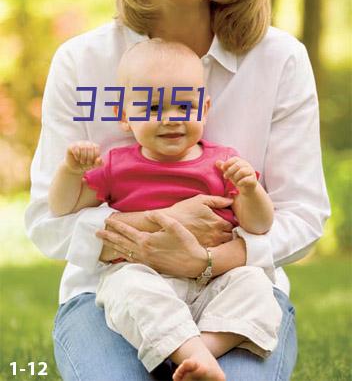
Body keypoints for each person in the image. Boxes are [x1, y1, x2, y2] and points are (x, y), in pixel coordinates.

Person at [25, 0, 330, 381]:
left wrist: (210, 261)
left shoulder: (278, 60)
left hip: (235, 292)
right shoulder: (83, 62)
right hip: (110, 293)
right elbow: (48, 223)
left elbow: (303, 215)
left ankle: (205, 350)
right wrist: (148, 231)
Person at [48, 39, 283, 381]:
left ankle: (201, 349)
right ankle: (190, 352)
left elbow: (260, 225)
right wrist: (70, 170)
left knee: (254, 284)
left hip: (212, 282)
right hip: (145, 277)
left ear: (204, 109)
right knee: (125, 287)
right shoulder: (117, 164)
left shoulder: (224, 162)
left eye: (184, 107)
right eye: (154, 109)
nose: (171, 120)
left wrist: (249, 190)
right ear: (125, 117)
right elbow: (62, 205)